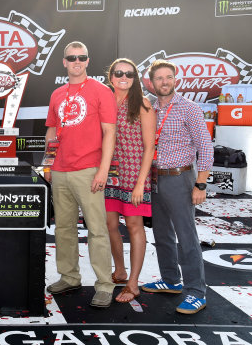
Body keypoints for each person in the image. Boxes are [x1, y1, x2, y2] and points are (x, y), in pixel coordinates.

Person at [44, 41, 116, 308]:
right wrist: (48, 165)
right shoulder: (57, 94)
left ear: (88, 61)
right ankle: (69, 276)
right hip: (60, 171)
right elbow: (52, 131)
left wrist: (103, 170)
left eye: (81, 57)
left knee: (97, 230)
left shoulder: (101, 91)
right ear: (64, 62)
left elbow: (110, 132)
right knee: (63, 229)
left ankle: (105, 285)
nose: (76, 61)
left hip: (89, 170)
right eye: (71, 57)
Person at [141, 60, 213, 314]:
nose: (164, 82)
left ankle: (196, 291)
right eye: (159, 78)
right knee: (161, 233)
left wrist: (200, 184)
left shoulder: (189, 108)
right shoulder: (147, 105)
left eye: (168, 77)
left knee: (186, 236)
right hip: (155, 177)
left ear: (176, 79)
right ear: (151, 81)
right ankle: (171, 280)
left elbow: (205, 147)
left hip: (180, 177)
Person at [103, 58, 155, 303]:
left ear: (135, 79)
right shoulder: (103, 102)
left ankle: (133, 283)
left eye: (129, 74)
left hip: (134, 174)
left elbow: (149, 147)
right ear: (111, 76)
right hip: (109, 173)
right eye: (119, 73)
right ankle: (120, 270)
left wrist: (140, 183)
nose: (124, 77)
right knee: (109, 225)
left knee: (134, 226)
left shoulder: (143, 104)